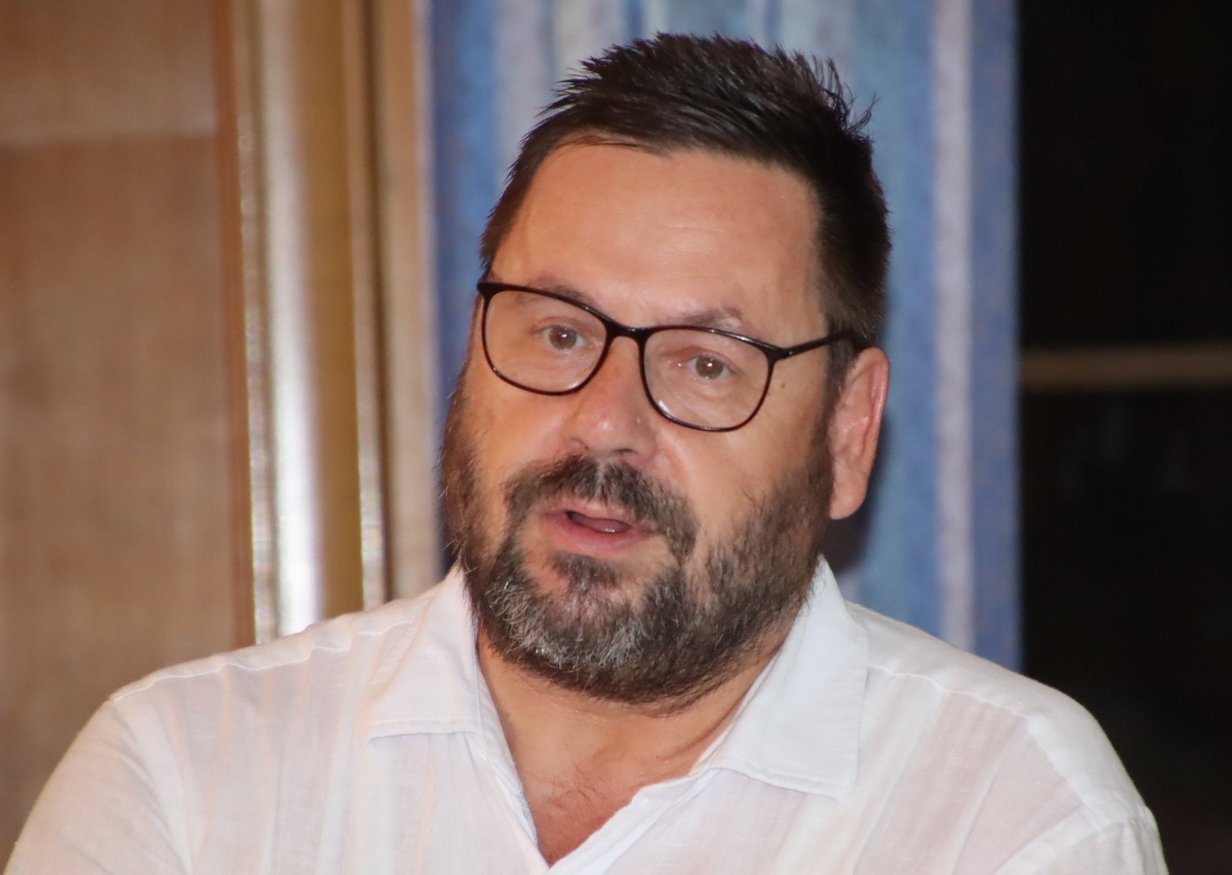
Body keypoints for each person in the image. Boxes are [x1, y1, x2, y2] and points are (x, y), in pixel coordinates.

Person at [8, 34, 1166, 874]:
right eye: (558, 333)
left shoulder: (1008, 816)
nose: (603, 420)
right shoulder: (186, 782)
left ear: (846, 431)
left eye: (704, 363)